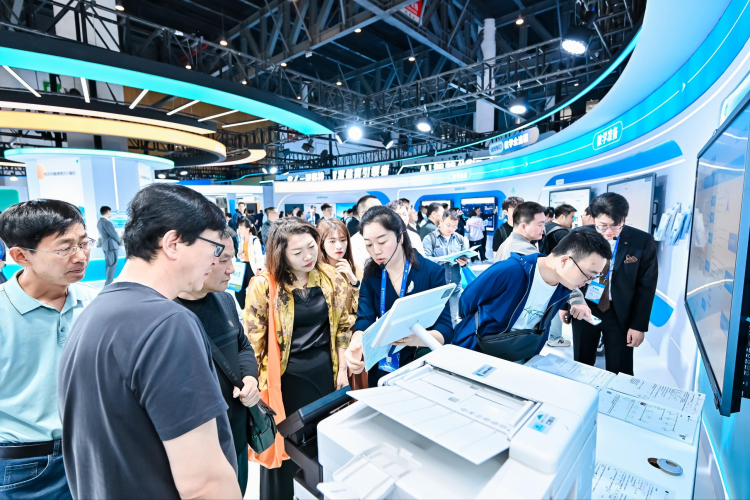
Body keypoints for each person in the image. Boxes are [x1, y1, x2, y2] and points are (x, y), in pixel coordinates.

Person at [59, 184, 240, 500]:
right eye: (213, 248)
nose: (216, 263)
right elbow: (204, 483)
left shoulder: (94, 313)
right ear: (173, 243)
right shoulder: (168, 324)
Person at [244, 217, 353, 500]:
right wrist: (254, 386)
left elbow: (343, 327)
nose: (308, 256)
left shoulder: (330, 277)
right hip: (284, 382)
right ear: (281, 254)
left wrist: (342, 370)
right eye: (297, 252)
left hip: (324, 375)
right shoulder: (264, 285)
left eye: (312, 247)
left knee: (319, 448)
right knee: (284, 448)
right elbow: (253, 342)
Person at [0, 200, 96, 500]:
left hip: (93, 453)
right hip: (24, 465)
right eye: (64, 248)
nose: (80, 256)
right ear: (20, 256)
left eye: (84, 243)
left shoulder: (97, 303)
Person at [174, 226, 260, 496]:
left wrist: (250, 378)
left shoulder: (225, 300)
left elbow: (242, 345)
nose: (232, 269)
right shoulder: (168, 315)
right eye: (223, 261)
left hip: (237, 434)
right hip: (200, 447)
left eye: (232, 259)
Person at [453, 231, 611, 359]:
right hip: (478, 350)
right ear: (565, 261)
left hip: (520, 353)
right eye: (588, 275)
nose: (588, 282)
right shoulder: (510, 270)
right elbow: (467, 301)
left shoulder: (563, 287)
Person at [343, 206, 454, 387]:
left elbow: (446, 329)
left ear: (400, 237)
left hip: (421, 367)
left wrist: (414, 338)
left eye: (382, 241)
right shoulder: (371, 275)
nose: (376, 250)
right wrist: (356, 341)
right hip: (382, 367)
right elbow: (365, 318)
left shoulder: (431, 272)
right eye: (369, 244)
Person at [564, 193, 658, 376]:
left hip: (620, 312)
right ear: (593, 218)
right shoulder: (579, 236)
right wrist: (564, 305)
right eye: (603, 226)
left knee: (620, 369)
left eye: (615, 226)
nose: (609, 232)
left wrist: (638, 325)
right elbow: (567, 272)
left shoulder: (642, 241)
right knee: (582, 363)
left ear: (624, 219)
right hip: (585, 306)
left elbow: (646, 287)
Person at [317, 217, 366, 388]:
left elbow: (364, 308)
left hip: (354, 336)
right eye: (332, 241)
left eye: (343, 240)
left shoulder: (355, 268)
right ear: (321, 243)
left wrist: (354, 281)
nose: (339, 246)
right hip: (328, 340)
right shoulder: (316, 273)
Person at [422, 209, 470, 326]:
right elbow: (425, 260)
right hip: (436, 286)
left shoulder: (460, 239)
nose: (451, 229)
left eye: (454, 227)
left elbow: (466, 259)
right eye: (448, 225)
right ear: (441, 221)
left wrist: (464, 263)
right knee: (435, 319)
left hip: (454, 286)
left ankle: (451, 337)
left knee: (453, 319)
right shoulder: (430, 239)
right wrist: (444, 259)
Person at [350, 195, 382, 270]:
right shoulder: (354, 243)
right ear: (363, 216)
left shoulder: (388, 236)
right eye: (377, 210)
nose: (382, 214)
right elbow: (359, 274)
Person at [97, 206, 120, 286]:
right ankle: (109, 283)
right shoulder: (107, 222)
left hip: (105, 246)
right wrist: (119, 241)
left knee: (109, 265)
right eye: (110, 212)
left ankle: (108, 283)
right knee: (112, 265)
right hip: (111, 246)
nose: (111, 214)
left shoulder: (99, 222)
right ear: (108, 212)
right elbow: (113, 234)